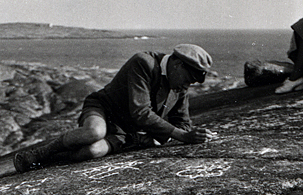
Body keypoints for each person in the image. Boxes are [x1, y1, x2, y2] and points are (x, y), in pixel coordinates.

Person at [13, 44, 216, 173]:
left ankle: (51, 160)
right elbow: (141, 112)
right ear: (178, 65)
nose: (186, 87)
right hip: (104, 110)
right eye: (188, 79)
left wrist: (195, 134)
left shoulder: (178, 85)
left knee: (93, 151)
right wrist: (181, 135)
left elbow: (182, 122)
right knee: (94, 132)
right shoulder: (144, 63)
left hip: (128, 133)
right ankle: (40, 154)